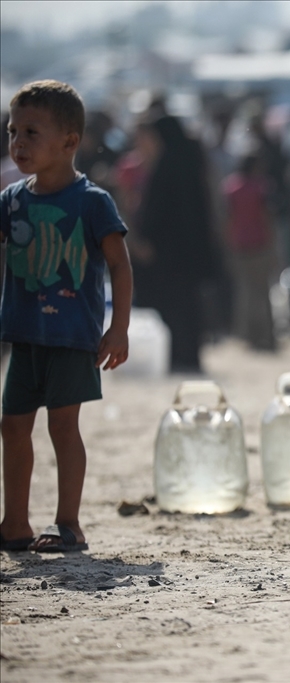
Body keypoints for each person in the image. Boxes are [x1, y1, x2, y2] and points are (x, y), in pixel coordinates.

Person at [0, 80, 132, 553]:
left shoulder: (91, 201)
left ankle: (68, 524)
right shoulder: (12, 199)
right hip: (24, 334)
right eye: (13, 131)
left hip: (72, 336)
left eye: (32, 133)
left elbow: (119, 263)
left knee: (62, 426)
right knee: (12, 426)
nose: (17, 143)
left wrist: (118, 328)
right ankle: (14, 523)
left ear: (70, 142)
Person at [133, 113, 222, 373]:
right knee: (188, 306)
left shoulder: (168, 165)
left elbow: (159, 211)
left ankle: (179, 357)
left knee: (174, 307)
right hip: (187, 252)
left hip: (167, 254)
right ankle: (187, 356)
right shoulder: (189, 161)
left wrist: (147, 239)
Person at [222, 153, 277, 351]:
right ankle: (267, 335)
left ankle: (249, 334)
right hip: (259, 243)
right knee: (263, 291)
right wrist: (273, 244)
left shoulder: (231, 187)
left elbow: (228, 217)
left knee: (245, 291)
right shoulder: (261, 187)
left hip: (239, 244)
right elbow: (265, 216)